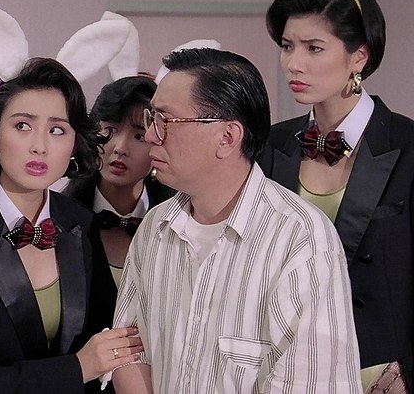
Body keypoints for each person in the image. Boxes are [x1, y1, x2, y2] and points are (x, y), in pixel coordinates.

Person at [254, 0, 414, 393]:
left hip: (379, 377)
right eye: (288, 46)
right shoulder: (269, 146)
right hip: (283, 373)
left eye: (314, 48)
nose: (294, 63)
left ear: (360, 56)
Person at [111, 48, 362, 393]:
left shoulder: (299, 236)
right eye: (151, 118)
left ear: (227, 137)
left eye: (165, 121)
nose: (152, 135)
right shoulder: (155, 226)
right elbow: (127, 351)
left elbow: (311, 383)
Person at [0, 57, 143, 393]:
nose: (39, 146)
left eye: (57, 130)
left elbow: (106, 335)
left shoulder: (80, 222)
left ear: (74, 142)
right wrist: (78, 368)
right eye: (22, 126)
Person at [64, 75, 174, 286]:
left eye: (139, 136)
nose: (120, 148)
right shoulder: (60, 220)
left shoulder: (177, 223)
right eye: (111, 130)